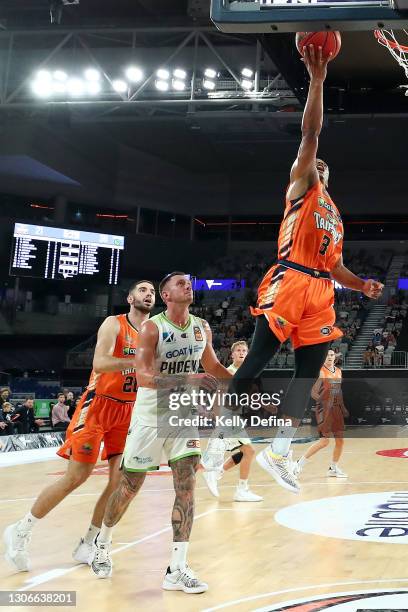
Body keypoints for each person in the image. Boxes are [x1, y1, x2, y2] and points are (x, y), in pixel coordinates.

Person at [229, 44, 383, 494]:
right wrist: (317, 81)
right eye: (310, 160)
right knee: (256, 359)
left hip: (322, 291)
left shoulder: (334, 214)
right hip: (290, 278)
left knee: (309, 372)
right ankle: (222, 432)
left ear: (329, 176)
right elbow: (311, 133)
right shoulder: (301, 187)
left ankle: (279, 449)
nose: (316, 162)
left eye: (321, 165)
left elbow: (336, 267)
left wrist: (362, 285)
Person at [91, 272, 231, 594]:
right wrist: (188, 381)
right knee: (129, 486)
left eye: (189, 283)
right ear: (166, 295)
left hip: (183, 417)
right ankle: (103, 540)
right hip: (150, 416)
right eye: (180, 283)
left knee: (187, 485)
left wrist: (244, 379)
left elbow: (212, 367)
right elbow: (143, 377)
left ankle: (177, 567)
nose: (188, 286)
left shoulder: (201, 327)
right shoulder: (152, 328)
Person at [3, 280, 156, 572]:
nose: (147, 294)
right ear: (130, 297)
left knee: (119, 482)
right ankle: (21, 530)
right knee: (76, 477)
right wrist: (137, 361)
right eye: (142, 290)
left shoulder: (153, 334)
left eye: (151, 292)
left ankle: (89, 542)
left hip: (128, 412)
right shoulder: (115, 323)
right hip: (98, 405)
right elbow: (99, 362)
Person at [202, 340, 263, 502]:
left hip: (235, 417)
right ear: (232, 355)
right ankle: (239, 488)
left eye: (244, 350)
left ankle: (218, 472)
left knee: (246, 452)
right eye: (239, 350)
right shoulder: (229, 372)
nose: (242, 352)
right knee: (249, 452)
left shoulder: (246, 373)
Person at [293, 349, 348, 479]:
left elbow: (337, 392)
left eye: (332, 355)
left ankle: (333, 468)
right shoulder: (321, 371)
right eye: (327, 355)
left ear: (335, 357)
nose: (329, 357)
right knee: (324, 441)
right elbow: (313, 392)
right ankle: (298, 465)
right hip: (324, 409)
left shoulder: (339, 371)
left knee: (340, 441)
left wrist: (342, 407)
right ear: (323, 358)